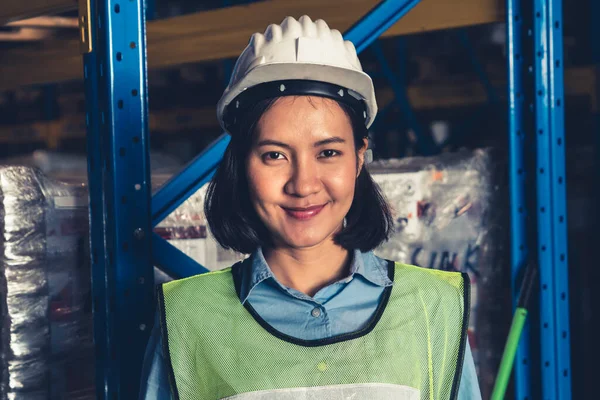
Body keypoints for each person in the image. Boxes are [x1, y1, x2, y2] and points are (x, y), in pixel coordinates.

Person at [139, 15, 481, 400]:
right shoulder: (188, 316)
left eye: (328, 152)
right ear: (242, 165)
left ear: (358, 158)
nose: (303, 184)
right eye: (274, 155)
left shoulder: (432, 306)